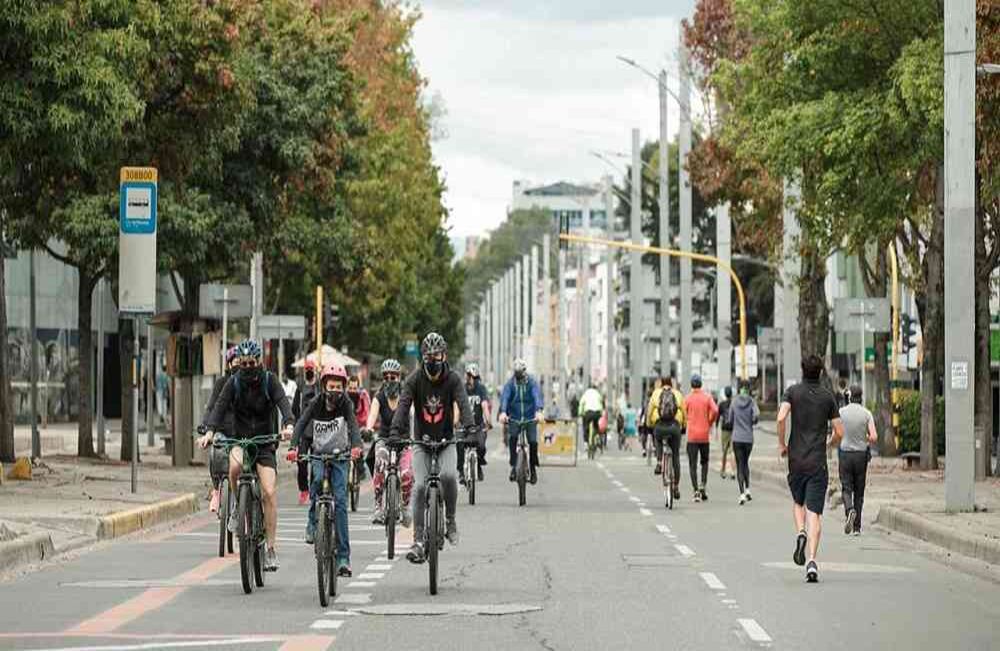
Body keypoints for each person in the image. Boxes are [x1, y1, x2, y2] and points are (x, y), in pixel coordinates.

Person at [198, 339, 294, 572]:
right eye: (244, 363)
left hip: (264, 443)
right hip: (240, 440)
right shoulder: (233, 383)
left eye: (252, 362)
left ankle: (270, 549)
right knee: (233, 469)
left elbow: (283, 405)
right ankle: (235, 509)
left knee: (269, 492)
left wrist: (289, 425)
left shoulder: (270, 381)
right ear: (238, 362)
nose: (248, 367)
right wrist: (209, 432)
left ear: (259, 360)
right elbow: (219, 408)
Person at [389, 332, 476, 564]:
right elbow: (403, 405)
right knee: (419, 487)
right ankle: (418, 541)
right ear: (423, 357)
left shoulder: (454, 380)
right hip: (421, 442)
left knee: (448, 476)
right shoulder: (414, 380)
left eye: (437, 355)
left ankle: (450, 520)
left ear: (444, 355)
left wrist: (470, 428)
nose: (433, 359)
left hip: (446, 440)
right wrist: (395, 432)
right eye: (428, 355)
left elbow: (463, 404)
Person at [286, 362, 361, 577]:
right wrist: (293, 446)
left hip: (340, 456)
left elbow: (354, 425)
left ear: (343, 388)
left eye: (339, 387)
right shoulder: (316, 403)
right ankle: (312, 522)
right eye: (331, 386)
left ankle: (343, 557)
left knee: (340, 504)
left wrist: (356, 446)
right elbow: (301, 424)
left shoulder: (346, 404)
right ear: (324, 386)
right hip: (318, 453)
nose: (335, 391)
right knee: (316, 481)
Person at [777, 354, 845, 584]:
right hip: (817, 461)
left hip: (796, 459)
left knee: (798, 503)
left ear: (803, 370)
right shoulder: (828, 397)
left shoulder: (793, 392)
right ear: (820, 372)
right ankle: (812, 562)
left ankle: (800, 533)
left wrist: (782, 443)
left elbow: (780, 417)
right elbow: (839, 432)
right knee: (815, 513)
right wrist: (829, 443)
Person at [366, 358, 413, 527]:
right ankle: (378, 506)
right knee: (379, 464)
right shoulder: (379, 397)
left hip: (404, 441)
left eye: (393, 377)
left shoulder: (407, 396)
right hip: (384, 440)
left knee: (407, 473)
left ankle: (406, 506)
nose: (389, 380)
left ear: (399, 378)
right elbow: (372, 415)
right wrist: (368, 429)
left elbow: (415, 415)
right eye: (386, 377)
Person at [199, 346, 239, 513]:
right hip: (222, 430)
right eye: (234, 364)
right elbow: (212, 407)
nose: (237, 367)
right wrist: (206, 426)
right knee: (215, 454)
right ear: (229, 365)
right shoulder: (222, 383)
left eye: (241, 364)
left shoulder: (249, 384)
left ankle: (245, 501)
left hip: (241, 434)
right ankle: (216, 489)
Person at [838, 384, 877, 536]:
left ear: (849, 396)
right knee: (859, 492)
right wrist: (864, 437)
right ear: (861, 397)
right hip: (861, 456)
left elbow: (837, 431)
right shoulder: (867, 414)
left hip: (845, 454)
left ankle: (849, 510)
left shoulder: (841, 412)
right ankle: (857, 527)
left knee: (846, 487)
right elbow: (873, 437)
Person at [500, 359, 545, 483]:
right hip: (514, 417)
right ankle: (514, 466)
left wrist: (539, 411)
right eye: (516, 374)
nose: (518, 377)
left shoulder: (532, 383)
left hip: (530, 417)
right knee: (512, 438)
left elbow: (537, 396)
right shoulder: (510, 384)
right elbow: (505, 397)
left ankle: (533, 467)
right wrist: (503, 412)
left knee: (533, 442)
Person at [646, 377, 686, 500]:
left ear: (662, 384)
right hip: (675, 427)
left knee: (657, 438)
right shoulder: (678, 394)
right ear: (671, 384)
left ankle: (659, 462)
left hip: (660, 426)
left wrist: (648, 425)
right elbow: (684, 412)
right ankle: (676, 487)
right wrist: (684, 426)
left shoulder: (656, 393)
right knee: (676, 457)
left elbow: (649, 411)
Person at [684, 374, 718, 502]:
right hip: (704, 435)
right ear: (701, 384)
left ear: (692, 385)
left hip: (692, 436)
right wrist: (709, 421)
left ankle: (696, 490)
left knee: (693, 464)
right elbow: (715, 410)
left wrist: (687, 420)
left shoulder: (687, 399)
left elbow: (682, 412)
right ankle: (703, 484)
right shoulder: (707, 397)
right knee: (704, 462)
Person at [292, 358, 320, 506]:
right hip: (303, 430)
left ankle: (314, 490)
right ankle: (304, 490)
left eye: (311, 369)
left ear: (314, 370)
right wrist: (295, 424)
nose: (309, 371)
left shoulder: (319, 385)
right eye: (307, 369)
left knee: (316, 461)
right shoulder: (300, 386)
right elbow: (295, 407)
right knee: (301, 461)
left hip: (317, 430)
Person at [458, 363, 492, 484]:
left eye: (471, 376)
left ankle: (478, 465)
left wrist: (488, 421)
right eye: (468, 376)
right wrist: (455, 422)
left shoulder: (481, 388)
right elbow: (457, 406)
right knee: (459, 445)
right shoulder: (461, 389)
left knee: (481, 447)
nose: (469, 379)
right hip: (464, 425)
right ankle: (461, 472)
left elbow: (484, 405)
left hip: (478, 425)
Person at [729, 380, 760, 505]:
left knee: (739, 465)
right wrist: (751, 422)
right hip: (748, 438)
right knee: (745, 463)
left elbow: (730, 419)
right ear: (749, 389)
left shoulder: (734, 402)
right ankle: (748, 490)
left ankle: (741, 494)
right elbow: (757, 415)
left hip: (737, 438)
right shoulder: (752, 402)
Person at [578, 383, 604, 453]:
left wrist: (580, 413)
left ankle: (586, 443)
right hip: (597, 412)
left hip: (588, 413)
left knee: (585, 427)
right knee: (596, 425)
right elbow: (601, 402)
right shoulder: (598, 393)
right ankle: (597, 436)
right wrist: (601, 412)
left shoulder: (586, 393)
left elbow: (581, 403)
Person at [718, 386, 735, 479]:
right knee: (733, 451)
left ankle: (723, 470)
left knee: (724, 451)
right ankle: (732, 471)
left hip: (724, 429)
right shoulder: (734, 404)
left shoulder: (721, 404)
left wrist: (716, 428)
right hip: (733, 429)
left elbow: (717, 416)